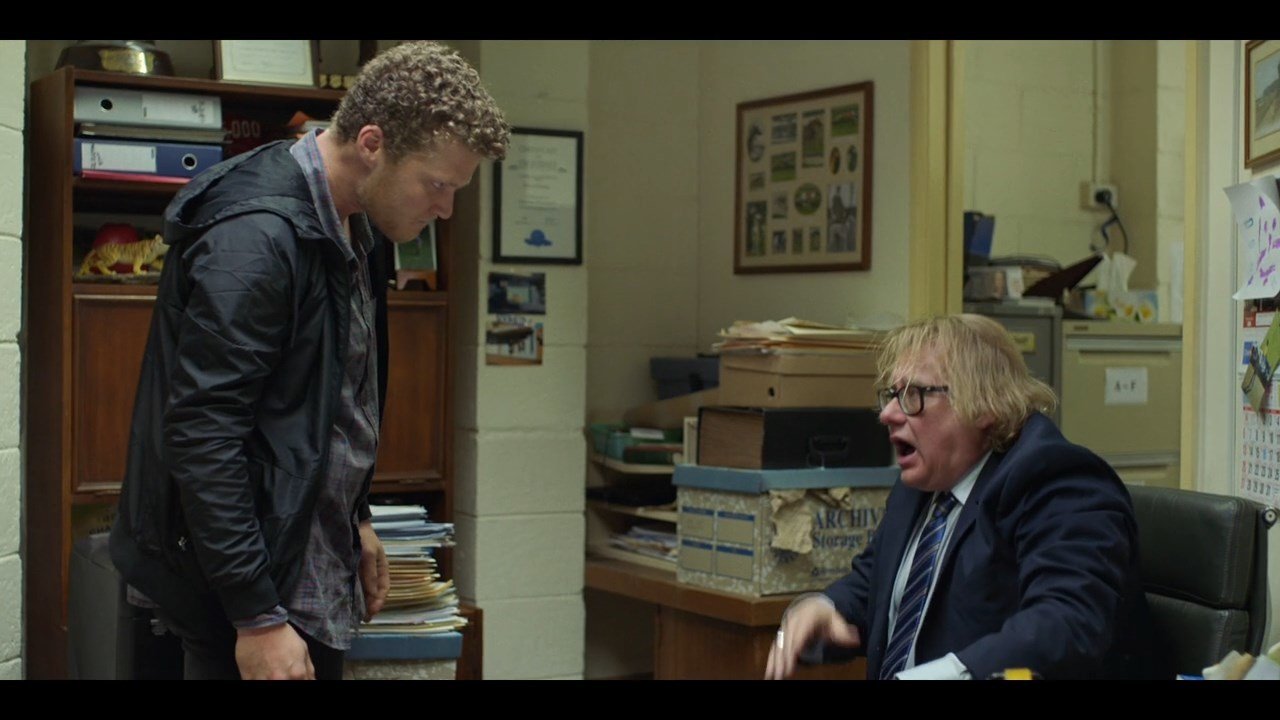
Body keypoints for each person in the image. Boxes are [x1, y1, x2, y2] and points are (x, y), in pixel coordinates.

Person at [109, 41, 510, 680]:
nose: (445, 208)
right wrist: (256, 617)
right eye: (438, 184)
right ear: (372, 144)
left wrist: (355, 518)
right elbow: (204, 436)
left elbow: (328, 398)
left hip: (303, 554)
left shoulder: (357, 225)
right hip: (243, 585)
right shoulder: (256, 239)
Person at [764, 314, 1158, 680]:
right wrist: (824, 607)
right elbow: (873, 585)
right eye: (891, 395)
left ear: (984, 403)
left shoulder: (1057, 480)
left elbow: (1063, 627)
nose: (888, 414)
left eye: (914, 395)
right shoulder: (921, 484)